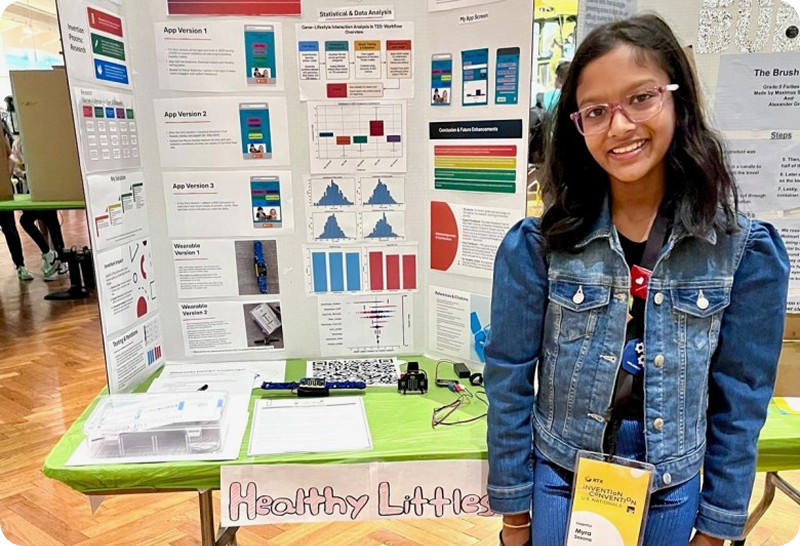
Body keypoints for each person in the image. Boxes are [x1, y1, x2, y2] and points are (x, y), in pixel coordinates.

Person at [485, 14, 789, 546]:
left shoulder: (742, 251)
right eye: (596, 112)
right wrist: (514, 514)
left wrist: (717, 525)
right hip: (562, 477)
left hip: (673, 483)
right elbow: (508, 378)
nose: (620, 126)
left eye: (641, 98)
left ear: (677, 100)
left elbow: (742, 399)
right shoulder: (539, 246)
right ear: (576, 125)